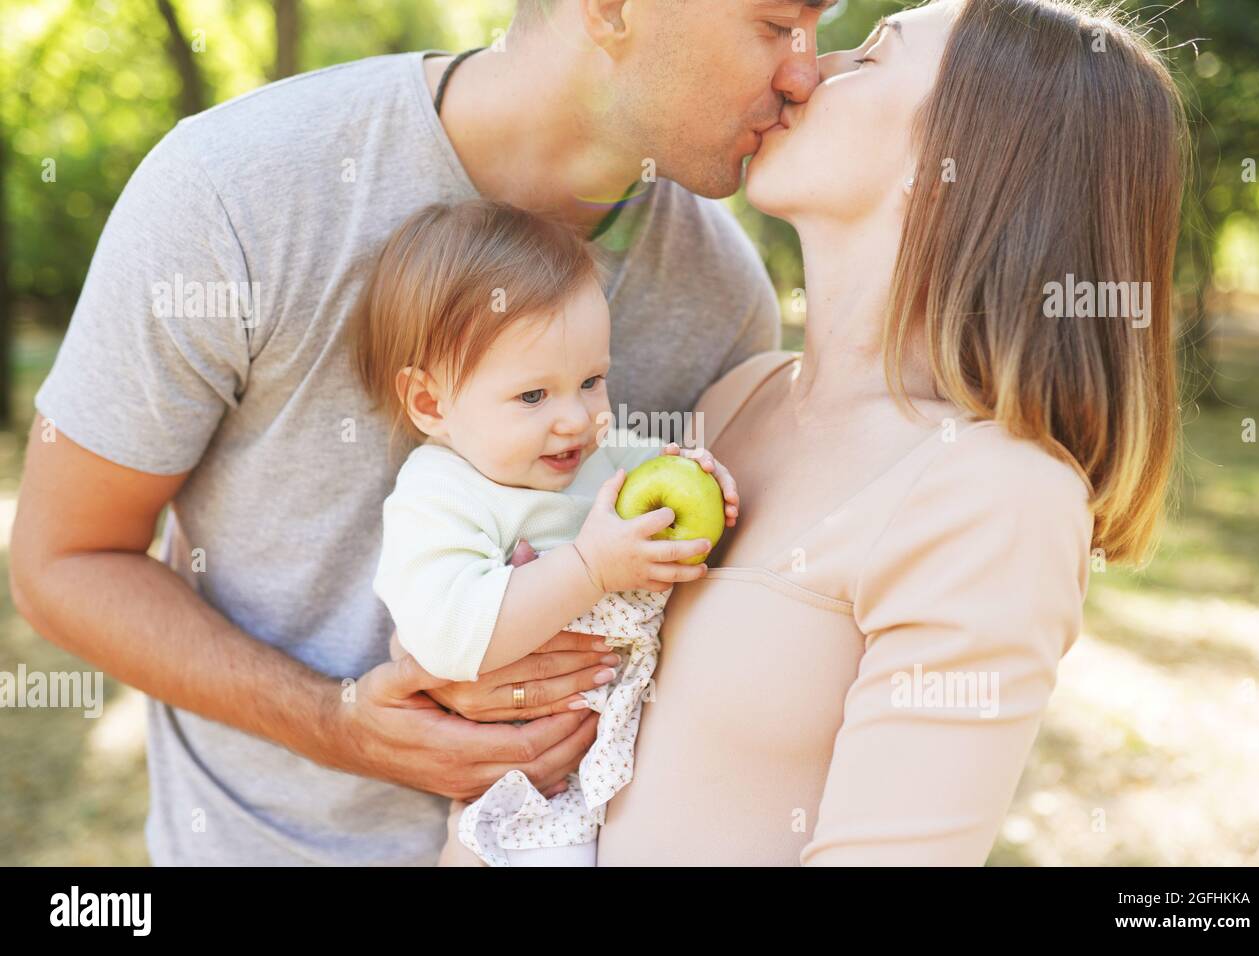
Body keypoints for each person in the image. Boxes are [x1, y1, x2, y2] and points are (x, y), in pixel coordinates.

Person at [9, 0, 834, 865]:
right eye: (778, 23)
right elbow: (64, 563)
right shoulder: (233, 193)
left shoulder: (721, 291)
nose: (805, 72)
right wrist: (339, 724)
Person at [588, 0, 1187, 864]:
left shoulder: (1000, 499)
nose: (802, 71)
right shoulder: (740, 398)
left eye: (868, 57)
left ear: (959, 161)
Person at [353, 199, 738, 865]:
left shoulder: (602, 456)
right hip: (523, 790)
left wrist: (698, 475)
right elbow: (447, 637)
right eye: (533, 396)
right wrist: (588, 569)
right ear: (430, 403)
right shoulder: (439, 496)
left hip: (616, 766)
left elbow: (657, 471)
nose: (576, 421)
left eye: (591, 381)